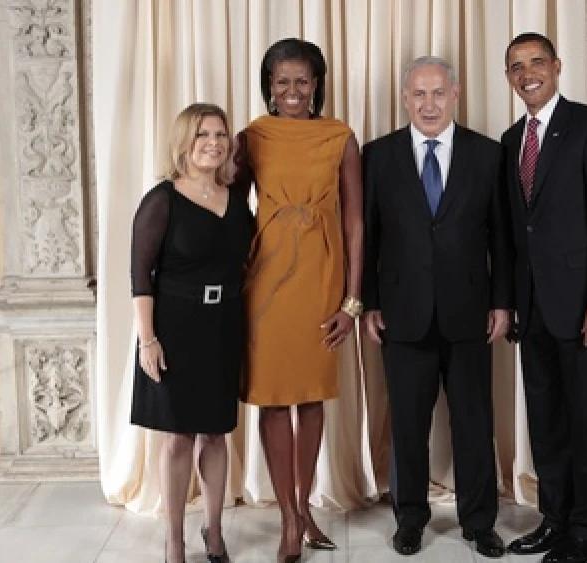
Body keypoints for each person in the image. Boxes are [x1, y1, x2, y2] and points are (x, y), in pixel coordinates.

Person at [362, 56, 511, 559]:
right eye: (419, 94)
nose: (429, 104)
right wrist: (369, 304)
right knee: (407, 424)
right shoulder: (377, 156)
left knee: (473, 422)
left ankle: (479, 522)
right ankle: (410, 519)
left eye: (438, 93)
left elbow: (502, 239)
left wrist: (502, 302)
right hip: (401, 314)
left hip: (470, 312)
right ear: (405, 98)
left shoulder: (487, 155)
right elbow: (368, 237)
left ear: (456, 94)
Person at [500, 32, 587, 563]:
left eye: (536, 62)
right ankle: (555, 520)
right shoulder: (512, 140)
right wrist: (510, 302)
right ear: (508, 77)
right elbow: (515, 233)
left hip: (584, 308)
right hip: (533, 309)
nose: (527, 73)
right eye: (516, 66)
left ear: (556, 66)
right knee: (548, 422)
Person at [237, 38, 363, 563]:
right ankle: (290, 517)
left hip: (321, 280)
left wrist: (352, 301)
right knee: (271, 398)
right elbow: (227, 209)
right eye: (282, 81)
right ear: (269, 85)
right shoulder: (253, 137)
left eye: (302, 81)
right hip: (266, 285)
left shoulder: (341, 137)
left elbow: (355, 222)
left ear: (317, 85)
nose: (292, 90)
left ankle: (304, 506)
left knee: (310, 398)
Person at [130, 103, 253, 563]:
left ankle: (214, 532)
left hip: (222, 328)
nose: (214, 143)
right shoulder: (162, 199)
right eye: (203, 134)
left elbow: (248, 264)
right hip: (173, 330)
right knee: (178, 436)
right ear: (185, 140)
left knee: (217, 434)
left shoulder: (237, 200)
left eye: (221, 135)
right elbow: (140, 275)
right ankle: (175, 540)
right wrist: (148, 339)